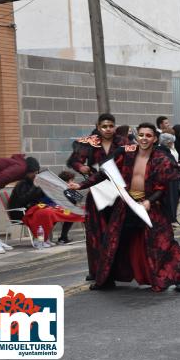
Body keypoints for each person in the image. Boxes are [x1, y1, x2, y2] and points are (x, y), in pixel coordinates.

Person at [70, 122, 180, 292]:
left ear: (155, 138)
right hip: (126, 204)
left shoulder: (161, 157)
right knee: (113, 241)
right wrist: (81, 185)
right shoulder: (126, 153)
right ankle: (106, 280)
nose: (144, 138)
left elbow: (163, 185)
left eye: (148, 135)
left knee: (163, 242)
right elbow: (105, 172)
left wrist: (149, 201)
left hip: (150, 205)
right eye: (141, 135)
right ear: (137, 137)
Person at [66, 113, 128, 281]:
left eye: (111, 126)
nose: (108, 129)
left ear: (115, 126)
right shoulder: (90, 142)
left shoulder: (123, 142)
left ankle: (118, 270)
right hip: (97, 190)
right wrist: (81, 167)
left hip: (118, 192)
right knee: (96, 233)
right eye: (104, 126)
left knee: (119, 232)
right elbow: (73, 160)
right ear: (98, 126)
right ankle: (97, 271)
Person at [8, 170, 84, 248]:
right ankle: (42, 239)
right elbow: (35, 199)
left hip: (52, 208)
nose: (73, 182)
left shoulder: (63, 188)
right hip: (43, 209)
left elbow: (75, 200)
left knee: (71, 213)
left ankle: (58, 237)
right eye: (71, 180)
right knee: (50, 214)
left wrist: (71, 192)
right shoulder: (25, 185)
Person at [56, 171, 80, 244]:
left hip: (67, 210)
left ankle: (63, 237)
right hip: (58, 210)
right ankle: (63, 237)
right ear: (66, 181)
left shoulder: (71, 189)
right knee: (70, 216)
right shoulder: (59, 189)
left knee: (72, 215)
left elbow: (77, 200)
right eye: (72, 180)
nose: (73, 182)